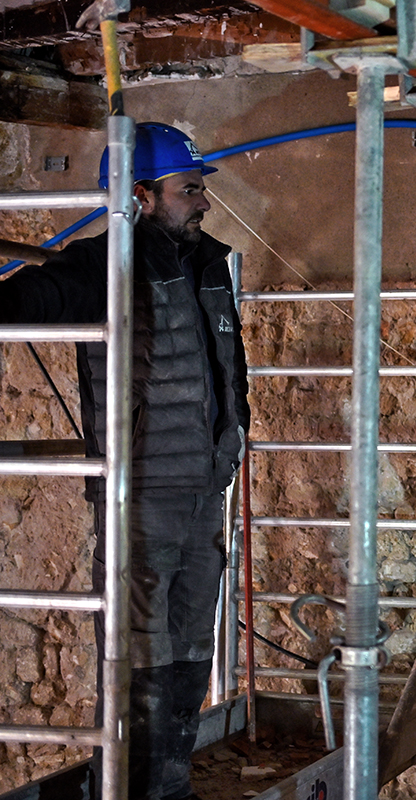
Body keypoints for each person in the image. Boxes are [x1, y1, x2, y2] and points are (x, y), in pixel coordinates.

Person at [0, 122, 249, 800]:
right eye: (189, 189)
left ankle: (168, 784)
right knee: (141, 656)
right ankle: (133, 792)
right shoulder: (101, 268)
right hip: (140, 499)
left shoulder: (206, 268)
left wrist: (230, 450)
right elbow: (30, 298)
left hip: (203, 495)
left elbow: (230, 373)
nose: (203, 203)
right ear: (140, 196)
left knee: (191, 653)